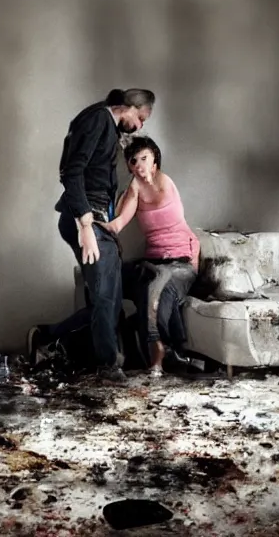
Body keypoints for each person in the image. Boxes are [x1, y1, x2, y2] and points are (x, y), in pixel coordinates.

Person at [51, 88, 155, 382]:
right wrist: (86, 226)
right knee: (106, 295)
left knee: (104, 293)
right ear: (129, 108)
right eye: (142, 118)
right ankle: (107, 366)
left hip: (94, 220)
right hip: (86, 220)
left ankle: (54, 339)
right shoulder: (98, 119)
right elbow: (71, 172)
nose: (141, 126)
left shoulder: (104, 124)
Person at [103, 136, 200, 377]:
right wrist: (90, 223)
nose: (139, 165)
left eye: (144, 159)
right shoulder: (134, 187)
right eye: (134, 161)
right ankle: (124, 342)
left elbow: (151, 189)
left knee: (158, 288)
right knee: (109, 279)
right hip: (154, 261)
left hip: (181, 261)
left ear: (155, 160)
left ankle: (158, 361)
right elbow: (119, 223)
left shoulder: (164, 181)